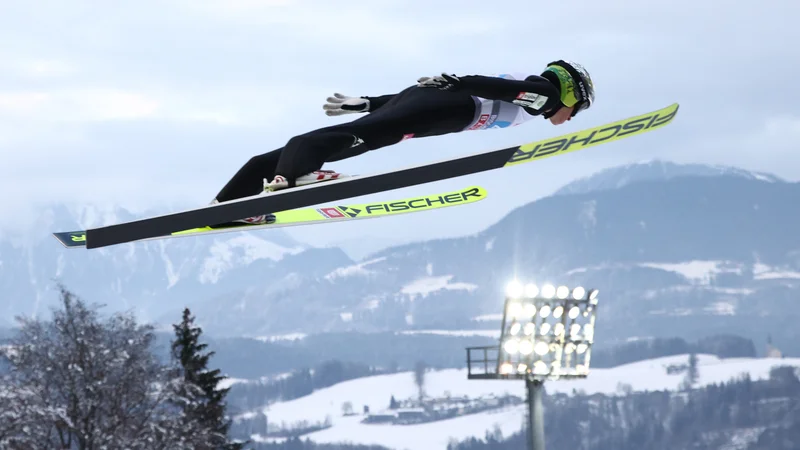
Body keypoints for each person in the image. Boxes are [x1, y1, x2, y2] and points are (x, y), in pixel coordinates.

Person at [211, 60, 595, 225]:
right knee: (351, 137)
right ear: (570, 93)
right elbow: (501, 89)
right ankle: (298, 175)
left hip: (431, 103)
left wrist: (367, 103)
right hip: (449, 106)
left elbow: (410, 101)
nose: (570, 117)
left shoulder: (536, 94)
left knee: (368, 133)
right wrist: (460, 82)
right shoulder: (544, 94)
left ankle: (231, 202)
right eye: (575, 109)